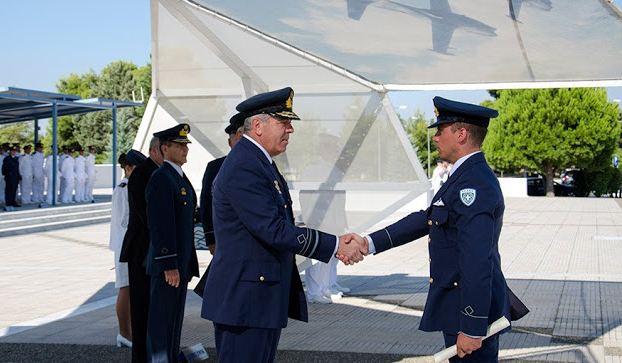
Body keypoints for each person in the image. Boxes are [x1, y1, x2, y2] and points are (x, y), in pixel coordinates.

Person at [201, 87, 365, 363]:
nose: (290, 130)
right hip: (246, 301)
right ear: (257, 125)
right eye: (283, 122)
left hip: (257, 298)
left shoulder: (258, 162)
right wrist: (335, 244)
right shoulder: (245, 165)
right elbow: (272, 229)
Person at [355, 97, 510, 362]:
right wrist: (368, 242)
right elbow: (427, 219)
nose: (436, 138)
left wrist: (472, 326)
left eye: (441, 130)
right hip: (459, 306)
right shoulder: (463, 176)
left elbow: (476, 260)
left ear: (461, 134)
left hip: (468, 309)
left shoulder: (474, 184)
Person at [145, 124, 199, 363]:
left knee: (174, 320)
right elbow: (160, 225)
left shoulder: (179, 177)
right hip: (168, 267)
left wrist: (187, 264)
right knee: (161, 321)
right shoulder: (161, 178)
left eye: (186, 145)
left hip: (180, 264)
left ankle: (170, 357)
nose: (185, 149)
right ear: (164, 149)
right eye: (179, 145)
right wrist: (169, 264)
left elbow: (185, 224)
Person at [119, 137, 163, 363]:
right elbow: (144, 217)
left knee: (152, 310)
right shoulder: (141, 175)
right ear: (156, 150)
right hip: (141, 253)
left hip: (151, 252)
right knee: (141, 309)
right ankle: (142, 357)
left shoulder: (159, 172)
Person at [300, 132, 350, 304]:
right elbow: (306, 195)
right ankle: (315, 291)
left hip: (333, 219)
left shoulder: (334, 168)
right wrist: (311, 217)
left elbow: (338, 198)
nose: (334, 152)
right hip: (320, 219)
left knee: (331, 256)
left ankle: (327, 285)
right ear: (323, 150)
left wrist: (341, 219)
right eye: (331, 148)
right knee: (317, 258)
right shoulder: (314, 168)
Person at [110, 150, 146, 349]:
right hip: (125, 245)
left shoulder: (131, 186)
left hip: (131, 245)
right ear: (128, 168)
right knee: (125, 287)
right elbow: (124, 218)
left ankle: (129, 331)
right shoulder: (124, 188)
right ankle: (124, 332)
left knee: (132, 288)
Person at [200, 112, 245, 254]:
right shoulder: (215, 167)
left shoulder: (261, 165)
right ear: (230, 141)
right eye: (238, 136)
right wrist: (211, 239)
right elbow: (206, 204)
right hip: (225, 238)